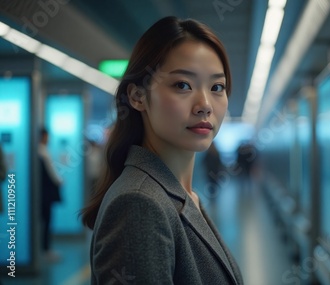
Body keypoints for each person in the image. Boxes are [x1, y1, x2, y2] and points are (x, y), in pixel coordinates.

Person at [80, 16, 243, 284]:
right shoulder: (139, 204)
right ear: (137, 96)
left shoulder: (182, 195)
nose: (204, 105)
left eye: (217, 87)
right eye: (182, 85)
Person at [38, 128, 63, 262]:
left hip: (41, 193)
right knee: (46, 220)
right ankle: (45, 249)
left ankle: (42, 248)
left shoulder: (37, 150)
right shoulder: (43, 151)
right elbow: (53, 173)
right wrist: (60, 181)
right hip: (46, 193)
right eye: (47, 136)